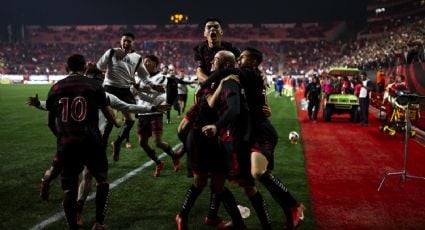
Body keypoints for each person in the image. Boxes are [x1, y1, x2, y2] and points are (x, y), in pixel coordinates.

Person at [29, 65, 168, 227]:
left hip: (93, 144)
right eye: (97, 79)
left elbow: (127, 106)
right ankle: (46, 183)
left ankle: (80, 211)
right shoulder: (84, 93)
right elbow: (52, 104)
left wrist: (151, 108)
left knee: (87, 176)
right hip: (77, 143)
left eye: (100, 79)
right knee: (55, 172)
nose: (99, 82)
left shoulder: (105, 96)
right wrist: (39, 103)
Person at [206, 47, 305, 229]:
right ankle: (290, 212)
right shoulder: (254, 76)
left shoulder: (247, 73)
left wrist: (205, 83)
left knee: (257, 173)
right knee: (260, 176)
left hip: (261, 131)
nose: (239, 58)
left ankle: (294, 205)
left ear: (252, 62)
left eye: (242, 57)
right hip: (251, 132)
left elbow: (227, 72)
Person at [175, 50, 246, 230]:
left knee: (218, 184)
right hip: (201, 138)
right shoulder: (210, 82)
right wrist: (221, 84)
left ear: (227, 65)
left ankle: (236, 223)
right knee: (200, 182)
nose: (211, 63)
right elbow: (209, 103)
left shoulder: (232, 82)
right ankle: (182, 216)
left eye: (215, 60)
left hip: (218, 138)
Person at [45, 54, 114, 230]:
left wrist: (61, 137)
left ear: (66, 68)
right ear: (84, 68)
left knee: (70, 188)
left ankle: (73, 227)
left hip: (68, 144)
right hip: (91, 142)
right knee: (102, 180)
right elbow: (109, 116)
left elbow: (49, 122)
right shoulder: (94, 86)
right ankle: (99, 223)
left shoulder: (56, 87)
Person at [96, 32, 161, 162]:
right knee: (110, 118)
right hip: (109, 88)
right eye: (124, 40)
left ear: (133, 43)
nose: (126, 43)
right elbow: (99, 67)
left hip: (125, 91)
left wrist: (153, 86)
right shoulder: (111, 52)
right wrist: (105, 74)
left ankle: (117, 143)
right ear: (120, 41)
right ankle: (101, 149)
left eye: (129, 41)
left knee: (130, 120)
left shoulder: (137, 58)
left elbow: (144, 76)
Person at [132, 55, 181, 177]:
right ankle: (158, 162)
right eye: (144, 62)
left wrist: (138, 87)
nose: (145, 64)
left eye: (147, 61)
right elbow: (133, 92)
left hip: (155, 113)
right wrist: (135, 88)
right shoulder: (140, 77)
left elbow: (153, 91)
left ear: (155, 63)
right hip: (143, 112)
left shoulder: (162, 78)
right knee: (142, 142)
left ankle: (175, 157)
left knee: (158, 142)